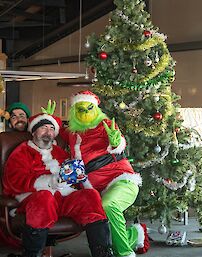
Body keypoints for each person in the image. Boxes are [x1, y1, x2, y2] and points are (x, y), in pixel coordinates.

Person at [2, 112, 115, 257]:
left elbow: (71, 175)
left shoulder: (60, 152)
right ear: (34, 131)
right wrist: (49, 182)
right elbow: (14, 179)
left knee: (90, 195)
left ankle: (103, 253)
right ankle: (33, 254)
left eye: (51, 128)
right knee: (45, 197)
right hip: (35, 199)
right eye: (43, 128)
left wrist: (77, 177)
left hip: (63, 198)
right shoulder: (22, 152)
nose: (48, 132)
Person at [60, 90, 149, 257]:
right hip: (92, 188)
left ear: (96, 109)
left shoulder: (105, 125)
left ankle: (125, 253)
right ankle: (134, 235)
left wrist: (116, 142)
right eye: (80, 109)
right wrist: (51, 119)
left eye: (89, 108)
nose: (85, 113)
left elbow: (118, 142)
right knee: (99, 210)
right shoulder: (73, 133)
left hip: (121, 180)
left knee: (108, 205)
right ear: (74, 112)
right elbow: (57, 130)